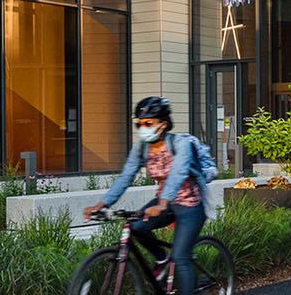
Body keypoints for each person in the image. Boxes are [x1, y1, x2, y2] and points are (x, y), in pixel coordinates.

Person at [84, 97, 216, 295]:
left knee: (180, 257)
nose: (142, 127)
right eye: (139, 123)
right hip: (164, 202)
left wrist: (163, 203)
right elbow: (126, 177)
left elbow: (178, 173)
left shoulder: (181, 144)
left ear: (163, 124)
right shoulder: (141, 148)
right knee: (136, 227)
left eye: (148, 123)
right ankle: (162, 260)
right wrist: (102, 204)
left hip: (191, 204)